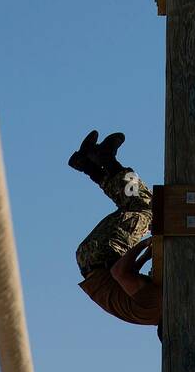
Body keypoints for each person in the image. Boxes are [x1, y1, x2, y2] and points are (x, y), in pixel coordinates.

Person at [69, 130, 162, 335]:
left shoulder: (157, 306)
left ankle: (103, 161)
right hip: (93, 258)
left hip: (103, 254)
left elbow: (118, 273)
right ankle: (89, 165)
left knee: (149, 210)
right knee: (132, 204)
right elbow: (121, 279)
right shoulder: (149, 315)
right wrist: (144, 257)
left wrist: (145, 244)